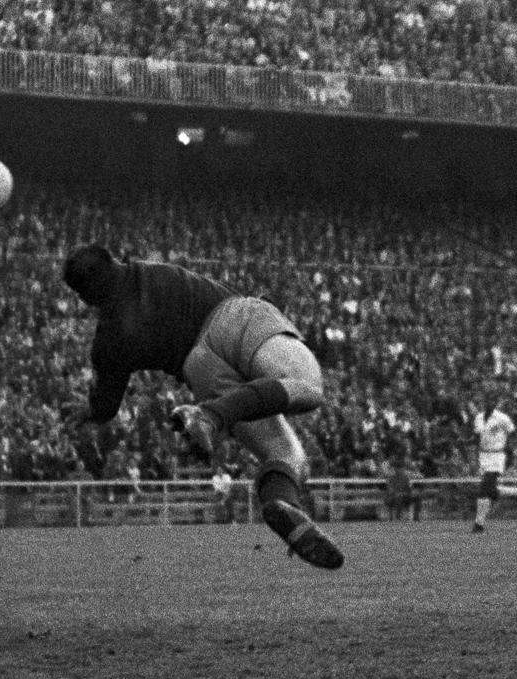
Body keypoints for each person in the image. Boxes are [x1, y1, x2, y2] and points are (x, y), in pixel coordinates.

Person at [62, 244, 343, 569]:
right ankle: (209, 416)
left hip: (199, 367)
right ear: (115, 260)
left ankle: (281, 502)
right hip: (232, 318)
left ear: (85, 298)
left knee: (284, 455)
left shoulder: (110, 342)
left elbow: (106, 407)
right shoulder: (144, 272)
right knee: (307, 385)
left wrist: (89, 409)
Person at [470, 400, 516, 533]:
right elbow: (476, 436)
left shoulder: (502, 418)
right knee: (489, 489)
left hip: (497, 456)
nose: (487, 404)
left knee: (484, 489)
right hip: (483, 456)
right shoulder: (478, 417)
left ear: (494, 403)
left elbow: (512, 433)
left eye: (491, 401)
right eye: (486, 401)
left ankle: (478, 525)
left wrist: (510, 451)